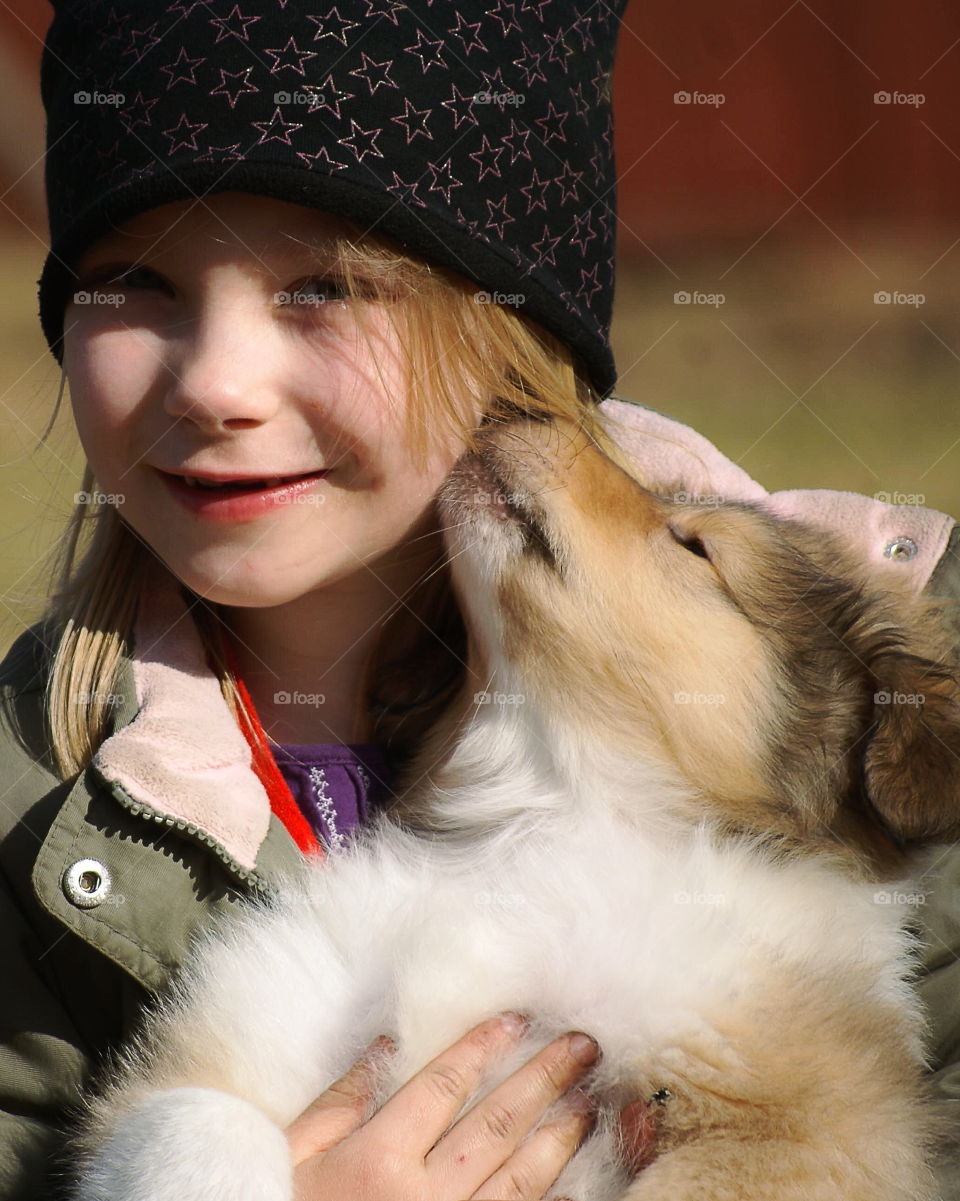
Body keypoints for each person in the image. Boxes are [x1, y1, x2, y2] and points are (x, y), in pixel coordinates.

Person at [1, 2, 957, 1198]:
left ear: (508, 340)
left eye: (325, 286)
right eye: (136, 280)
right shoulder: (28, 797)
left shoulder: (857, 714)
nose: (218, 385)